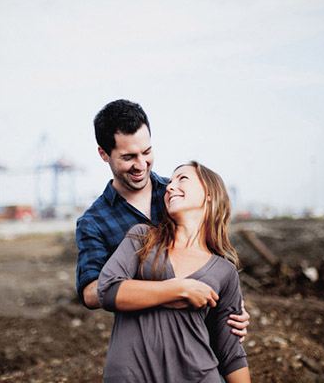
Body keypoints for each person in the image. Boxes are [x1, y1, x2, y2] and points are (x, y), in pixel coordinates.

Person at [75, 99, 250, 339]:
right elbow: (92, 293)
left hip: (201, 332)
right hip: (145, 339)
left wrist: (233, 307)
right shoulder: (93, 222)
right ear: (104, 154)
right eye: (128, 157)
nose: (140, 165)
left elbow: (216, 259)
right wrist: (171, 291)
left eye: (146, 152)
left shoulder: (178, 194)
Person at [98, 161, 251, 382]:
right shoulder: (142, 238)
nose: (170, 187)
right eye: (170, 182)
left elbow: (231, 354)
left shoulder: (224, 272)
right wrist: (177, 290)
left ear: (209, 193)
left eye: (182, 178)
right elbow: (108, 290)